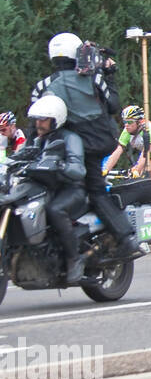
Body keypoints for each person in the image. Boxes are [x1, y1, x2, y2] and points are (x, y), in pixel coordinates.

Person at [29, 32, 144, 259]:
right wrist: (108, 74)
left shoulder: (42, 85)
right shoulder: (93, 78)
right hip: (98, 142)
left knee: (65, 190)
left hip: (63, 146)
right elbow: (112, 105)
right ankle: (126, 238)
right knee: (95, 191)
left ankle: (121, 239)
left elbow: (36, 121)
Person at [22, 95, 90, 283]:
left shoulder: (70, 138)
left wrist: (61, 166)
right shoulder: (38, 139)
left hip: (71, 189)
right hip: (46, 188)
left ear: (55, 119)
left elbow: (78, 169)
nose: (38, 123)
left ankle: (74, 259)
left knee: (55, 210)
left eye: (43, 119)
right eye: (37, 119)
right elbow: (22, 156)